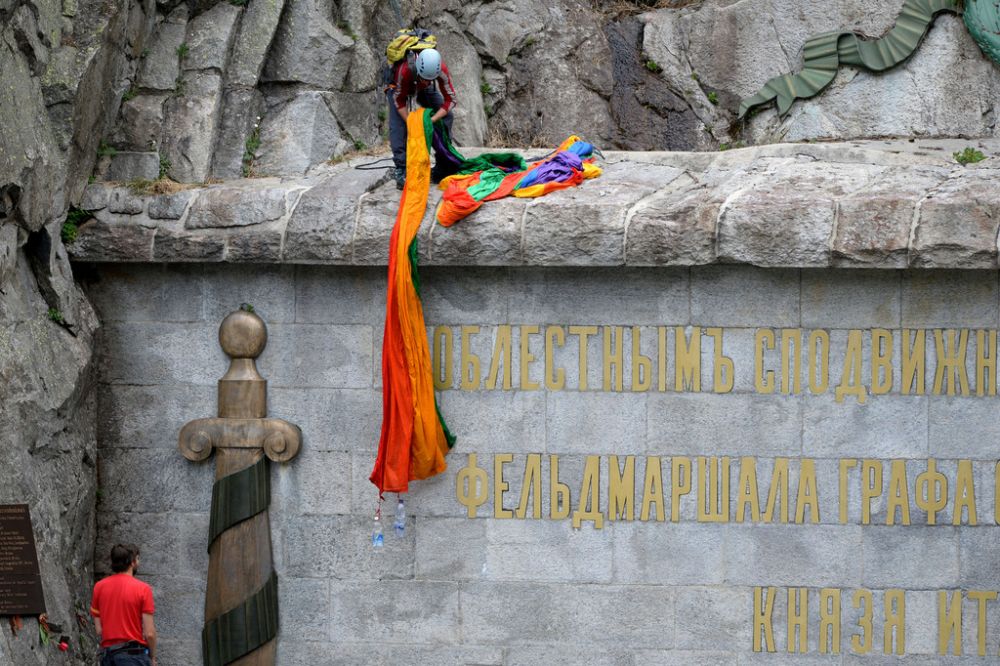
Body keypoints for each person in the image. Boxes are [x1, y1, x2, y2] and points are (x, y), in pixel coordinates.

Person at [386, 47, 458, 189]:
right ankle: (401, 169)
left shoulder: (440, 70)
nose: (426, 82)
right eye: (425, 79)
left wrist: (432, 120)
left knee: (447, 117)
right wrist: (411, 123)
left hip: (419, 84)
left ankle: (444, 162)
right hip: (398, 86)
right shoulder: (405, 70)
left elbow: (451, 100)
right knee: (398, 127)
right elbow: (399, 101)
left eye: (429, 80)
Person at [91, 544, 157, 666]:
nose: (139, 562)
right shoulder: (143, 589)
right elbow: (149, 633)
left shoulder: (99, 587)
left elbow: (99, 630)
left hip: (108, 656)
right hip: (133, 656)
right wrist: (152, 657)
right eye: (138, 559)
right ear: (132, 562)